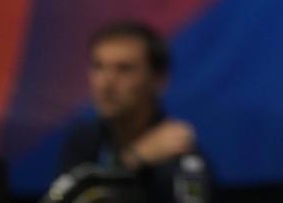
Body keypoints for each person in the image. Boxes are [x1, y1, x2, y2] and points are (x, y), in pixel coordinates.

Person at [59, 20, 211, 203]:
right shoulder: (83, 141)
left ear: (158, 80)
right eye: (98, 66)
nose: (106, 83)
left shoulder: (179, 156)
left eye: (124, 69)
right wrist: (134, 158)